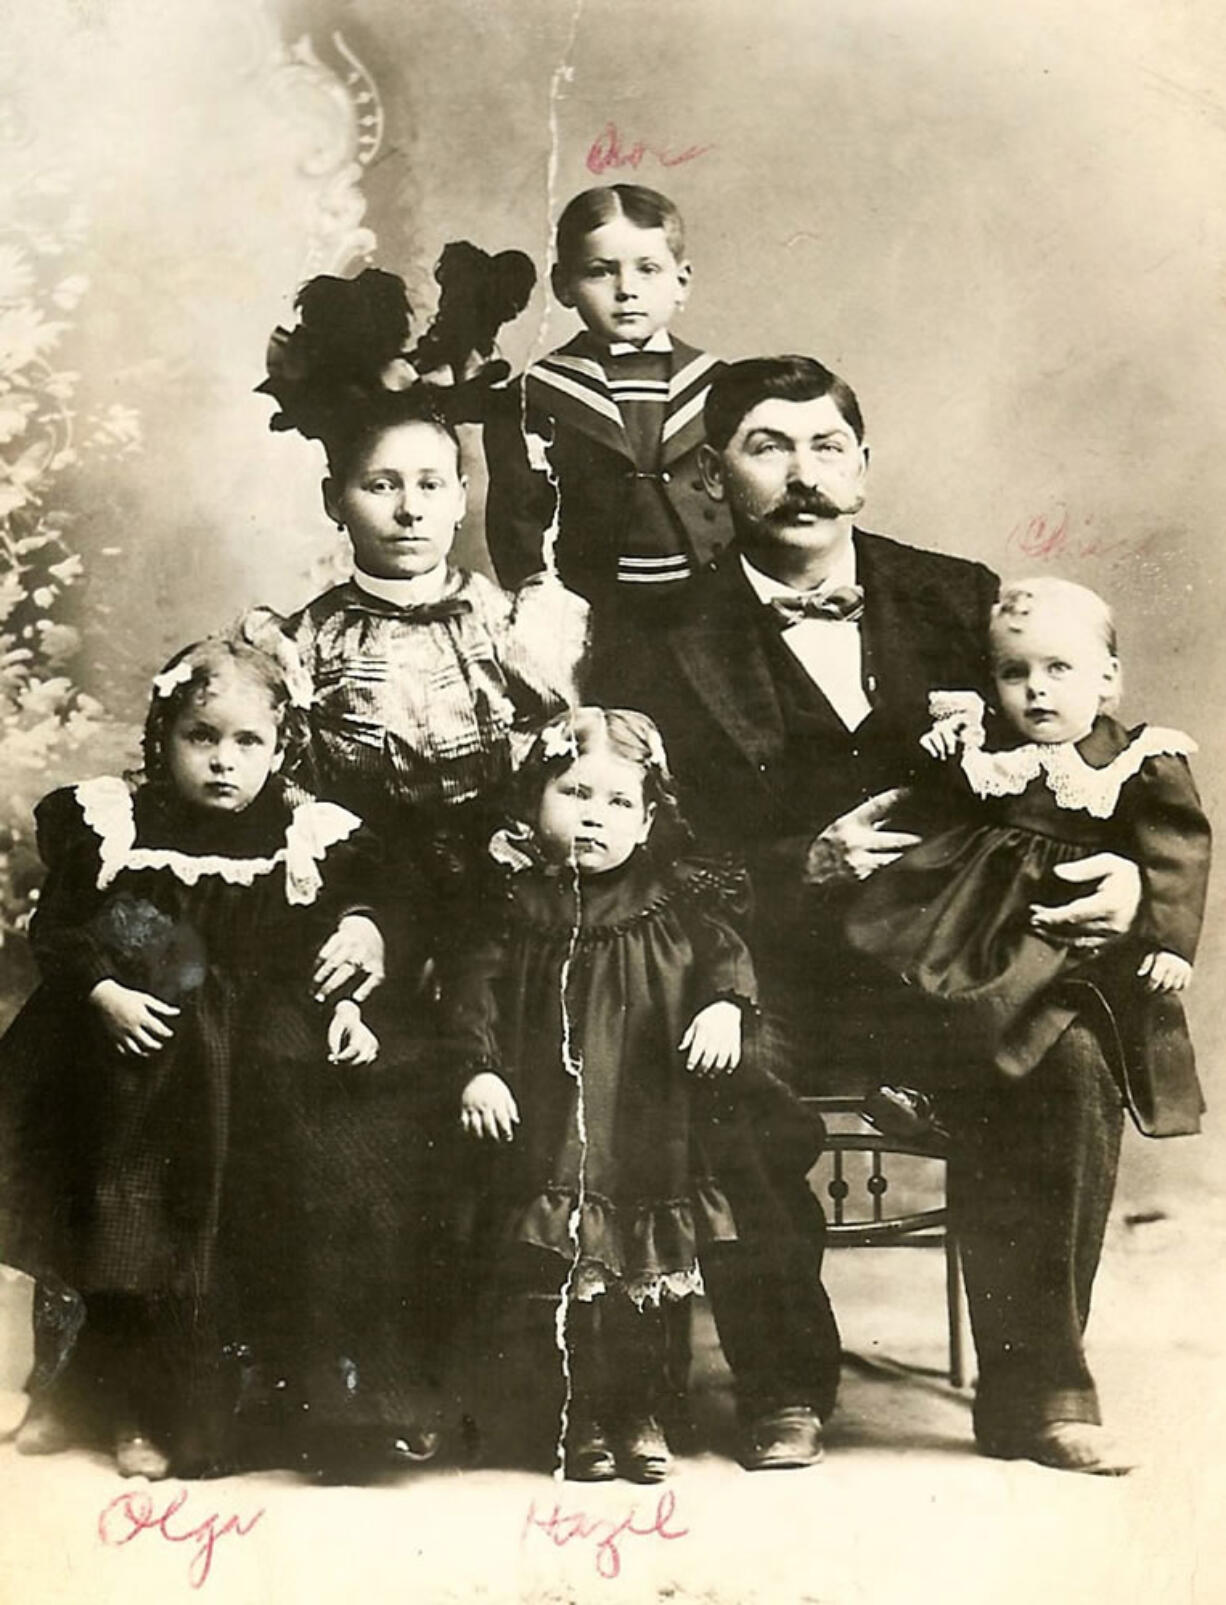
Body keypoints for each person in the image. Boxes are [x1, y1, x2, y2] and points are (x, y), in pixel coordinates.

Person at [604, 354, 1152, 1474]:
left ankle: (1037, 1383)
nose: (800, 474)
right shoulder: (655, 635)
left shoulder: (957, 597)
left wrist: (1131, 875)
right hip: (765, 970)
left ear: (863, 464)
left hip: (950, 958)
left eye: (824, 445)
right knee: (721, 1069)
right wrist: (802, 860)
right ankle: (784, 1385)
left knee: (1070, 1057)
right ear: (712, 473)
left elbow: (1082, 751)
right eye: (766, 446)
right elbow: (645, 851)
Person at [0, 632, 389, 1479]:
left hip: (254, 1060)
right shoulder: (113, 821)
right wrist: (103, 990)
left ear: (283, 748)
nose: (223, 762)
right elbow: (62, 926)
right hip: (139, 1054)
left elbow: (342, 922)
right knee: (121, 1212)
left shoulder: (300, 830)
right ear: (161, 737)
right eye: (201, 737)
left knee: (249, 1218)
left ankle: (211, 1403)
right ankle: (85, 1394)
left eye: (249, 741)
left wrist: (357, 950)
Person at [439, 708, 821, 1481]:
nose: (593, 815)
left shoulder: (671, 900)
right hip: (554, 1125)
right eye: (574, 791)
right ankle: (577, 1419)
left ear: (648, 822)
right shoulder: (515, 909)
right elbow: (471, 993)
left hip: (648, 1123)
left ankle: (643, 1411)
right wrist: (478, 1067)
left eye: (619, 802)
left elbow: (726, 958)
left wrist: (723, 1006)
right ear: (532, 802)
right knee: (563, 1268)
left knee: (645, 1266)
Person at [845, 575, 1209, 1137]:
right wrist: (944, 756)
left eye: (1058, 669)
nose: (1036, 689)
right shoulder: (997, 752)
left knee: (1005, 997)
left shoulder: (1137, 759)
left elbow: (1178, 852)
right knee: (923, 966)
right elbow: (950, 809)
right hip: (981, 908)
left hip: (1055, 923)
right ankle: (921, 1091)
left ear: (1107, 678)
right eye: (1015, 673)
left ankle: (951, 1098)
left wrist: (1170, 942)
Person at [482, 184, 730, 653]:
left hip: (713, 611)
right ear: (563, 286)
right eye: (600, 272)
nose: (627, 290)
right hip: (592, 616)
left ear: (682, 282)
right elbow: (517, 521)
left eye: (648, 269)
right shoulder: (532, 394)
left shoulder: (722, 386)